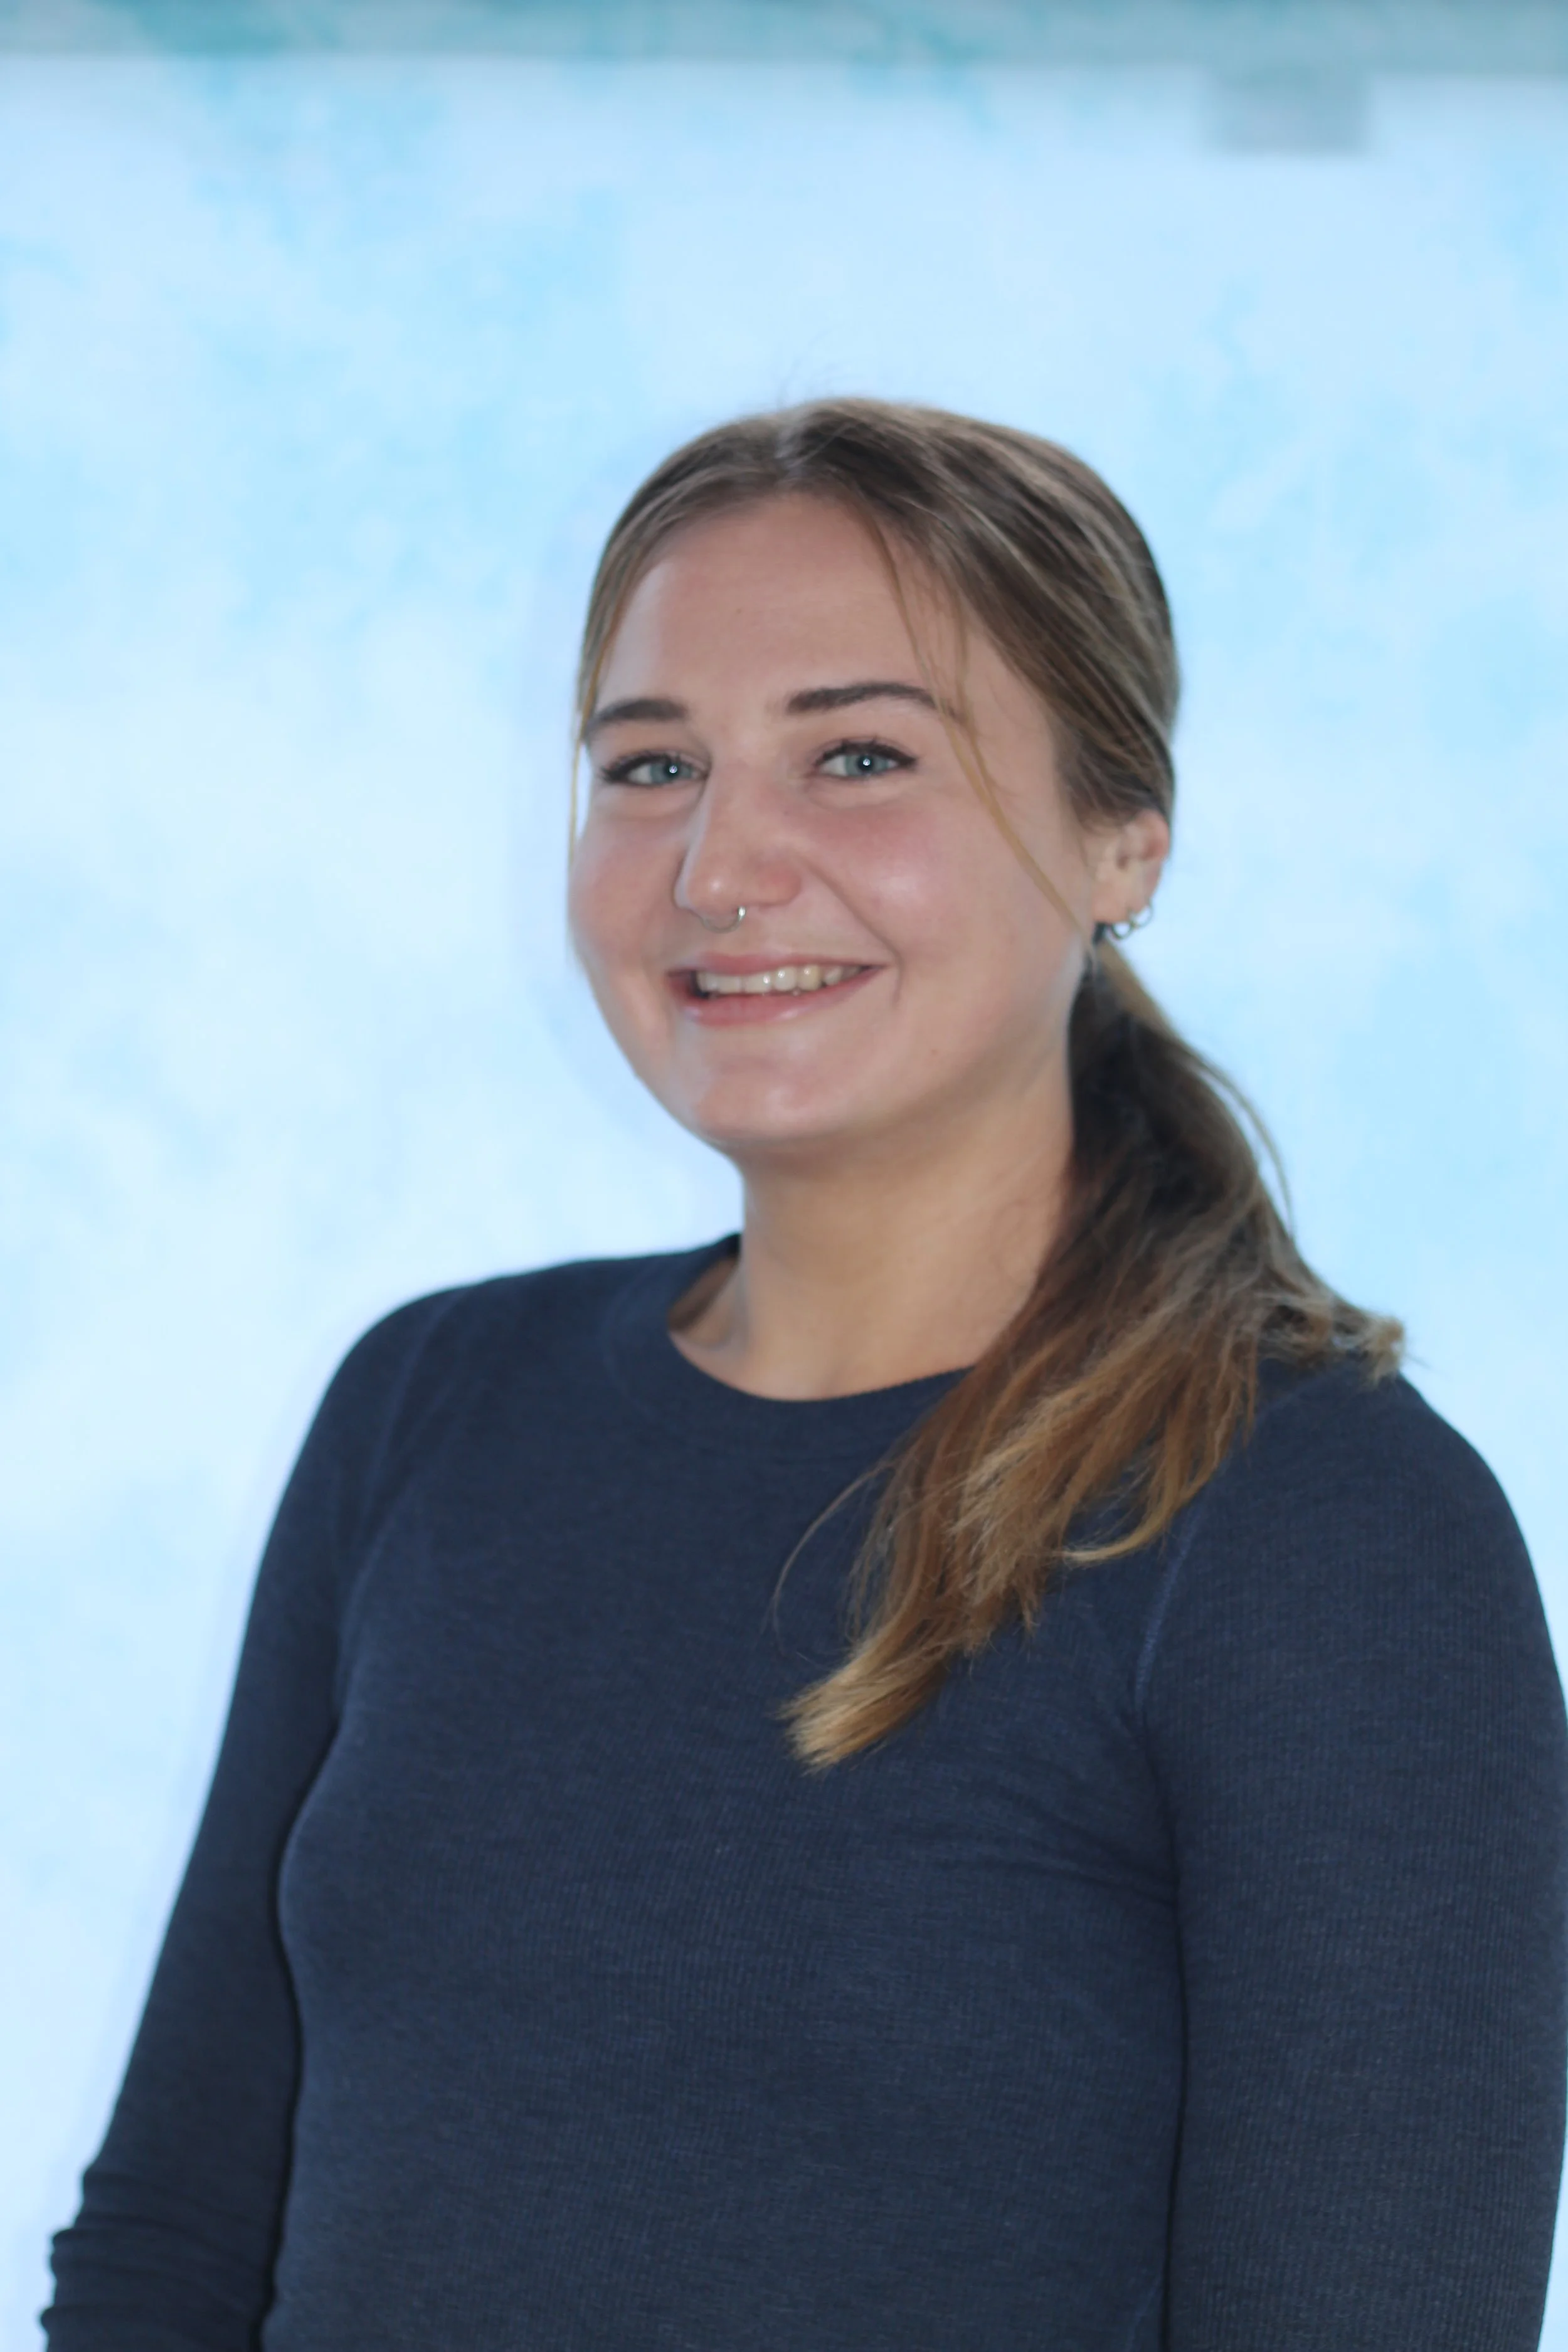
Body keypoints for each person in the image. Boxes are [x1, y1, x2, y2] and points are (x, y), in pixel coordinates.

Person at [45, 399, 1568, 2351]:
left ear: (1121, 834)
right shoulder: (429, 1407)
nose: (718, 864)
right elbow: (178, 2242)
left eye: (857, 756)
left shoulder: (1315, 1526)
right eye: (647, 763)